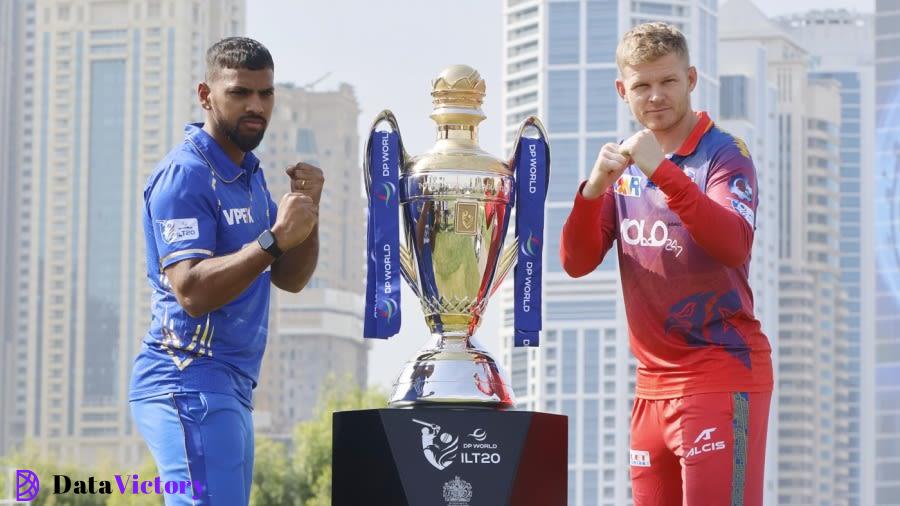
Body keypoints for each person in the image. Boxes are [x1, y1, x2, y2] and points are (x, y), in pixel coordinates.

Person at [560, 22, 773, 505]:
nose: (655, 96)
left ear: (692, 79)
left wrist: (663, 171)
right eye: (642, 85)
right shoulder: (622, 169)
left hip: (721, 375)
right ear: (623, 90)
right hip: (650, 388)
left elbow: (733, 244)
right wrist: (593, 189)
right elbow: (575, 262)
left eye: (668, 81)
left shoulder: (725, 154)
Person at [129, 37, 323, 505]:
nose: (256, 106)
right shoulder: (186, 174)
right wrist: (273, 239)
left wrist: (308, 209)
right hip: (185, 379)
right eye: (240, 93)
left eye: (265, 93)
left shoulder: (251, 175)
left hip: (231, 385)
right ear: (206, 95)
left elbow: (290, 278)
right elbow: (191, 290)